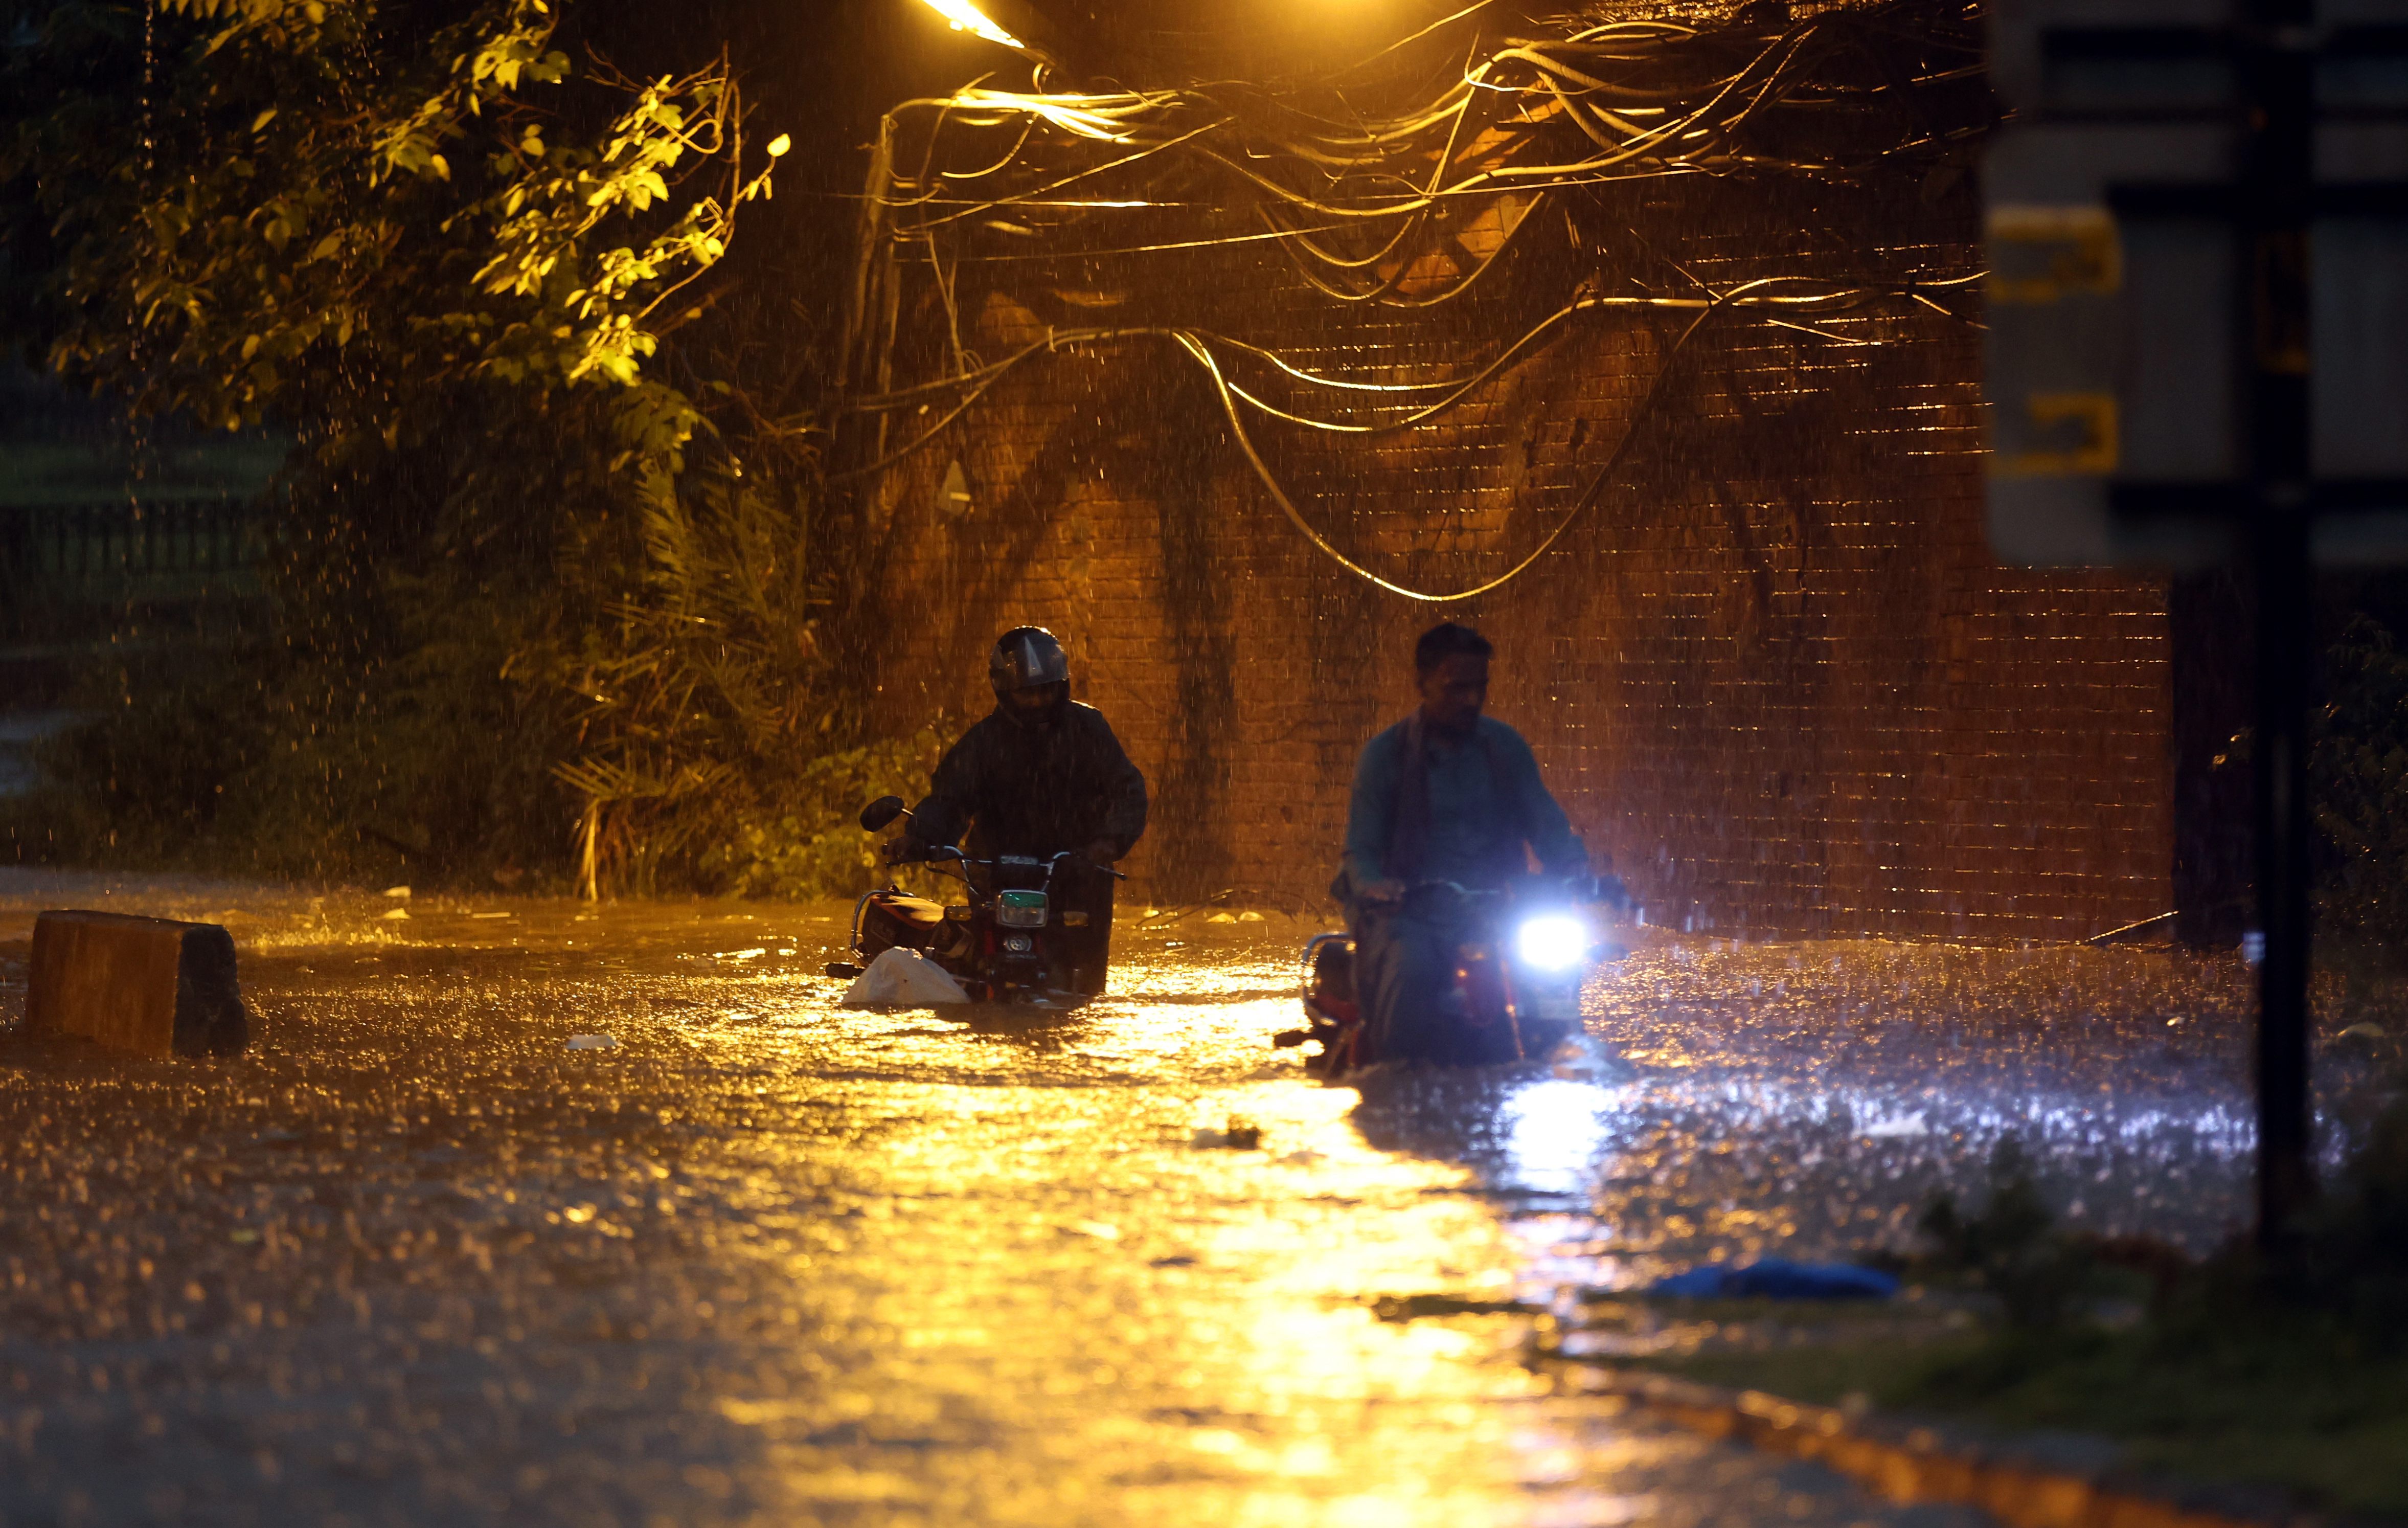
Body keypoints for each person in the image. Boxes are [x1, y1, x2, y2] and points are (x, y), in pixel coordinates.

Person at [1339, 621, 1592, 1063]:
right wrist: (1375, 886)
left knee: (1554, 972)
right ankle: (1397, 1082)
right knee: (1411, 970)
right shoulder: (1385, 757)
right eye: (1457, 689)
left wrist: (1577, 868)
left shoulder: (1505, 749)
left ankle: (1567, 1057)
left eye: (1480, 688)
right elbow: (1359, 850)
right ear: (1423, 684)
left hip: (1499, 907)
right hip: (1414, 914)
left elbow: (1546, 822)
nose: (1471, 701)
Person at [897, 626, 1148, 995]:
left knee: (1083, 989)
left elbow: (1128, 791)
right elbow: (949, 800)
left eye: (1047, 690)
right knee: (986, 982)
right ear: (1003, 690)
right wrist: (919, 837)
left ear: (1062, 686)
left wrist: (1108, 843)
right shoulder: (983, 743)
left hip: (1077, 876)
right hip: (998, 876)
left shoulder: (1089, 730)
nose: (1040, 701)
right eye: (1028, 693)